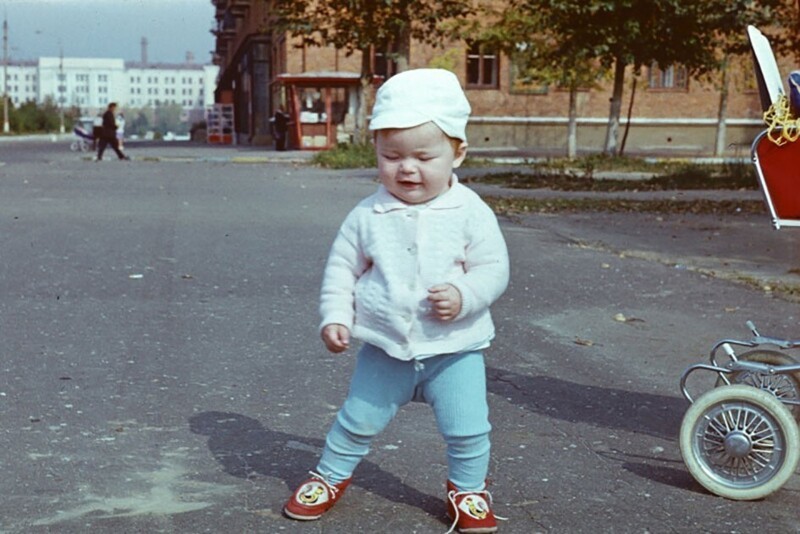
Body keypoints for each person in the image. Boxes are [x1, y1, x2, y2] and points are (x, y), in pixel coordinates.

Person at [282, 69, 510, 533]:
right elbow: (342, 269)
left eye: (424, 156)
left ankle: (467, 489)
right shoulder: (368, 214)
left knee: (469, 428)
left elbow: (493, 269)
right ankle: (329, 476)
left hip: (455, 349)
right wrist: (335, 317)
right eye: (391, 156)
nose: (407, 168)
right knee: (356, 420)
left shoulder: (470, 212)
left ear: (458, 152)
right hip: (385, 348)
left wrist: (466, 295)